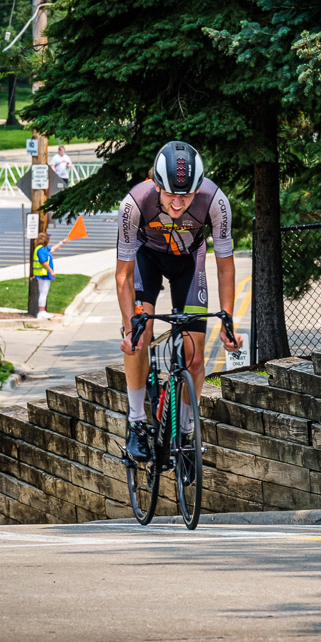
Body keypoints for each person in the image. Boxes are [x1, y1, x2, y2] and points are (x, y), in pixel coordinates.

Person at [117, 141, 242, 471]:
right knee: (139, 340)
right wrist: (131, 326)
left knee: (195, 357)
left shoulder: (215, 201)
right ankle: (136, 423)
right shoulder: (134, 203)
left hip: (189, 263)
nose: (177, 202)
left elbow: (225, 265)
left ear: (198, 188)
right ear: (155, 184)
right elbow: (123, 276)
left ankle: (186, 435)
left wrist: (227, 319)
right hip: (147, 261)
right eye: (170, 193)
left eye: (185, 196)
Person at [32, 231, 67, 319]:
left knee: (43, 292)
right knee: (43, 292)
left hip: (42, 274)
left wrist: (62, 242)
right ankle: (41, 312)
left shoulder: (42, 248)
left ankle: (42, 311)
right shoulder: (41, 250)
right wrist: (51, 271)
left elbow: (52, 249)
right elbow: (43, 262)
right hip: (43, 274)